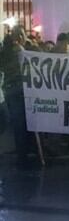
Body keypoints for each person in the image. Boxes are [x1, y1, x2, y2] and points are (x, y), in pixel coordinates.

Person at [0, 29, 31, 166]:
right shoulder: (15, 50)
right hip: (16, 89)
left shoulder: (10, 50)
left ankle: (22, 152)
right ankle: (22, 154)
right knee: (18, 122)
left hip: (12, 89)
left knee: (18, 122)